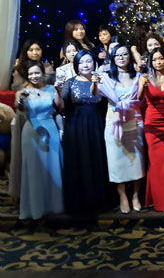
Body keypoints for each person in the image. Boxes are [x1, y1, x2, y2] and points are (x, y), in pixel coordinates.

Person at [93, 44, 145, 214]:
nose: (121, 58)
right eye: (117, 55)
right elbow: (95, 93)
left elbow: (141, 99)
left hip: (134, 121)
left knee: (137, 161)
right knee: (117, 162)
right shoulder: (107, 77)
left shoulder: (138, 76)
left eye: (124, 54)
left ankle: (135, 195)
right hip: (113, 122)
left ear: (129, 57)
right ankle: (122, 196)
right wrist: (94, 82)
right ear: (113, 58)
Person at [60, 49, 114, 216]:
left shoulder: (102, 80)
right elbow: (61, 107)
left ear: (94, 63)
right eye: (81, 62)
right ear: (76, 64)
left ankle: (100, 201)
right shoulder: (69, 83)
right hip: (76, 126)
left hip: (97, 124)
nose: (85, 65)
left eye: (89, 61)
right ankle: (79, 204)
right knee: (80, 162)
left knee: (97, 160)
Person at [15, 61, 64, 220]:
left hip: (51, 129)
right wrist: (21, 100)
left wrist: (58, 91)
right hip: (32, 132)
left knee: (52, 169)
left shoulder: (50, 89)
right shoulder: (22, 92)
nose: (34, 76)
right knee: (34, 171)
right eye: (30, 74)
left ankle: (54, 207)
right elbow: (20, 109)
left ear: (43, 73)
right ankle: (35, 209)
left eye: (36, 72)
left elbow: (59, 107)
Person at [138, 47, 164, 214]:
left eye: (161, 58)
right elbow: (138, 98)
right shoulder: (145, 78)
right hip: (152, 125)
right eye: (154, 59)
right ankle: (159, 199)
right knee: (155, 163)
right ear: (151, 62)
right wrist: (141, 86)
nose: (158, 62)